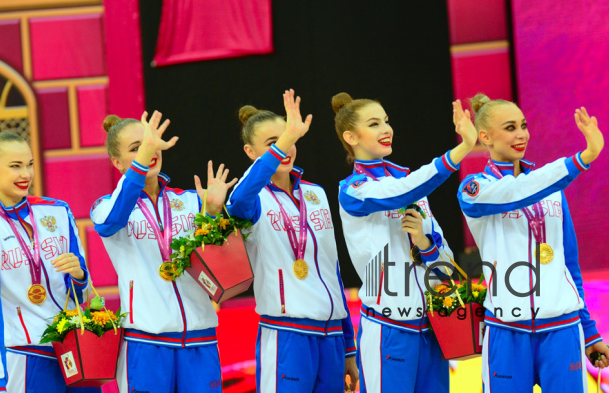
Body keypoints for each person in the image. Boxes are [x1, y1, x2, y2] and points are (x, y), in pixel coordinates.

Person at [457, 94, 609, 392]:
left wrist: (590, 332)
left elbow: (568, 265)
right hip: (507, 331)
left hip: (562, 329)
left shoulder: (553, 188)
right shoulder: (474, 190)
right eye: (510, 128)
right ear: (485, 137)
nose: (521, 134)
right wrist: (581, 159)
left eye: (524, 125)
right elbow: (516, 191)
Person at [333, 93, 477, 393]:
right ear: (350, 136)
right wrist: (462, 149)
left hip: (433, 328)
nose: (386, 128)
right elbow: (396, 192)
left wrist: (426, 244)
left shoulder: (412, 184)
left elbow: (446, 263)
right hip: (389, 329)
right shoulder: (353, 191)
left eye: (386, 121)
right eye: (374, 123)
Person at [91, 111, 236, 393]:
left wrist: (216, 215)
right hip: (146, 342)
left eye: (150, 143)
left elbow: (220, 261)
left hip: (199, 338)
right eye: (137, 148)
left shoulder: (191, 200)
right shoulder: (105, 207)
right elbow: (111, 223)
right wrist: (141, 162)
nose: (150, 151)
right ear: (117, 163)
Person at [227, 90, 359, 392]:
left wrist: (349, 347)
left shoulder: (316, 194)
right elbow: (239, 199)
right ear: (250, 152)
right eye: (273, 143)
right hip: (287, 332)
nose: (286, 148)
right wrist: (285, 139)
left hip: (332, 336)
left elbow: (331, 270)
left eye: (288, 139)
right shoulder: (251, 198)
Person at [0, 125, 97, 393]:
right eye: (15, 166)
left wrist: (80, 275)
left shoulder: (58, 211)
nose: (25, 174)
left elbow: (80, 289)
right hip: (26, 355)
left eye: (29, 164)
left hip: (77, 350)